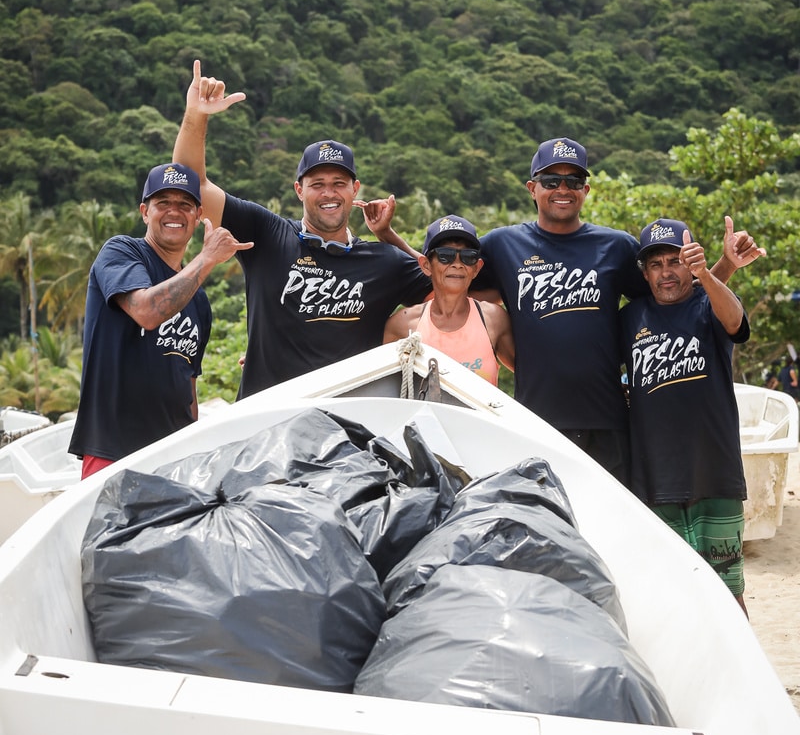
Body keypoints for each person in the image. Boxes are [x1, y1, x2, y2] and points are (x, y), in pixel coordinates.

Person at [470, 137, 765, 485]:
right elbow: (442, 277)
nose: (562, 189)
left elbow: (676, 302)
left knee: (611, 532)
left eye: (574, 181)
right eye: (551, 181)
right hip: (537, 420)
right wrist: (389, 235)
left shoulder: (616, 246)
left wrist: (724, 266)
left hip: (609, 422)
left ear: (587, 190)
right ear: (532, 188)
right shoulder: (502, 244)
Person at [172, 61, 431, 397]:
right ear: (299, 190)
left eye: (339, 183)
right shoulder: (267, 235)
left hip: (348, 431)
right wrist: (197, 114)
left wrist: (388, 236)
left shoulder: (385, 261)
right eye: (317, 183)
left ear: (355, 190)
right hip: (267, 425)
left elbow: (450, 287)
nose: (328, 193)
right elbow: (190, 185)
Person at [68, 162, 252, 477]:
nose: (173, 211)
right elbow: (147, 311)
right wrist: (207, 258)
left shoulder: (200, 302)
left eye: (184, 204)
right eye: (162, 203)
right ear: (145, 211)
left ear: (198, 216)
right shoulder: (121, 252)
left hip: (175, 462)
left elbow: (188, 388)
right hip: (114, 455)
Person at [620, 218, 750, 615]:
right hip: (655, 481)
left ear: (689, 263)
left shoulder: (709, 302)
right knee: (672, 594)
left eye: (674, 261)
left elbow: (736, 323)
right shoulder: (629, 319)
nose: (666, 272)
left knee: (728, 590)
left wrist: (706, 275)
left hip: (716, 475)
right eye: (655, 264)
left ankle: (744, 676)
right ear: (644, 273)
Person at [383, 215, 514, 385]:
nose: (457, 264)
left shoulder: (493, 320)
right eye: (445, 255)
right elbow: (385, 387)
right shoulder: (402, 324)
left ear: (476, 268)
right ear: (426, 265)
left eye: (468, 256)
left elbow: (529, 373)